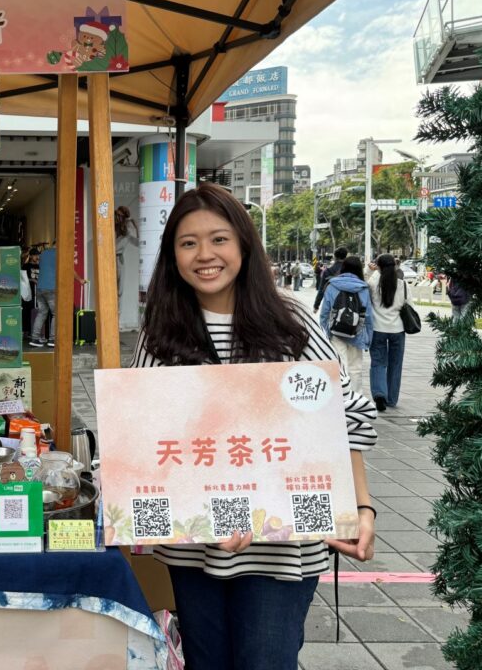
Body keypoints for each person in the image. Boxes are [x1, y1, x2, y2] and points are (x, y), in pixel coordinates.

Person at [132, 184, 377, 669]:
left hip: (282, 553)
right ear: (172, 255)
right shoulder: (160, 333)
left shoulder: (292, 321)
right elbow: (144, 440)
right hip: (196, 551)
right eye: (188, 243)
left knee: (266, 660)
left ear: (243, 243)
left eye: (218, 239)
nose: (205, 255)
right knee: (207, 662)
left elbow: (345, 419)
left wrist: (362, 507)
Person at [318, 256, 373, 386]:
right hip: (357, 332)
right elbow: (369, 316)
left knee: (339, 366)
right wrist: (368, 338)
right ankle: (356, 398)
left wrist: (326, 333)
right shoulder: (364, 288)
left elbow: (324, 313)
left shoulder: (332, 285)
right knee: (356, 368)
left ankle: (341, 397)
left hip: (336, 332)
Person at [367, 253, 411, 412]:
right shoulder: (403, 285)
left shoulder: (373, 283)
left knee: (378, 362)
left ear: (378, 266)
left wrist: (370, 270)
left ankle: (379, 394)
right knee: (395, 364)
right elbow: (409, 306)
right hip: (397, 330)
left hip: (377, 329)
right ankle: (391, 399)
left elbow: (364, 281)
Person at [30, 246, 57, 347]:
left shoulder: (43, 254)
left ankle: (35, 338)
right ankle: (52, 340)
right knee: (56, 314)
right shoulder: (60, 254)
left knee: (41, 313)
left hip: (40, 287)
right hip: (50, 288)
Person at [114, 206, 139, 298]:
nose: (117, 217)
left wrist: (136, 227)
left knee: (119, 290)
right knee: (110, 288)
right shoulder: (110, 228)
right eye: (116, 215)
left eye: (120, 216)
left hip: (119, 260)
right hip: (108, 260)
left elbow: (137, 243)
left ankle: (118, 312)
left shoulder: (127, 233)